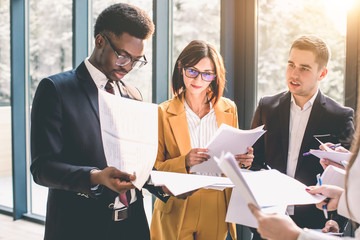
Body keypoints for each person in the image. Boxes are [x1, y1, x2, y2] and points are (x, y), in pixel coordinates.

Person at [30, 3, 170, 240]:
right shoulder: (55, 89)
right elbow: (42, 169)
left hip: (133, 227)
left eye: (137, 60)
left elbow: (136, 163)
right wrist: (96, 176)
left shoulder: (133, 94)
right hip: (79, 227)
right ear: (100, 41)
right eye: (123, 56)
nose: (129, 67)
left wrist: (163, 185)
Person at [250, 35, 354, 238]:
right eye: (291, 65)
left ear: (322, 74)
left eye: (304, 68)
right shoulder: (266, 107)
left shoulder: (340, 116)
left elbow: (348, 177)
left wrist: (335, 220)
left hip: (315, 226)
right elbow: (254, 162)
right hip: (269, 221)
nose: (294, 74)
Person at [149, 40, 254, 240]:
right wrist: (184, 162)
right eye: (192, 71)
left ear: (215, 77)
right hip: (177, 204)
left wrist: (243, 161)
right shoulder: (162, 112)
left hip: (216, 204)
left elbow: (232, 159)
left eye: (207, 73)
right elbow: (154, 168)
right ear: (181, 68)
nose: (198, 79)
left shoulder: (228, 109)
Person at [248, 114, 360, 240]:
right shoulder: (267, 107)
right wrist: (341, 199)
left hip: (312, 222)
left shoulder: (340, 114)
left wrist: (296, 236)